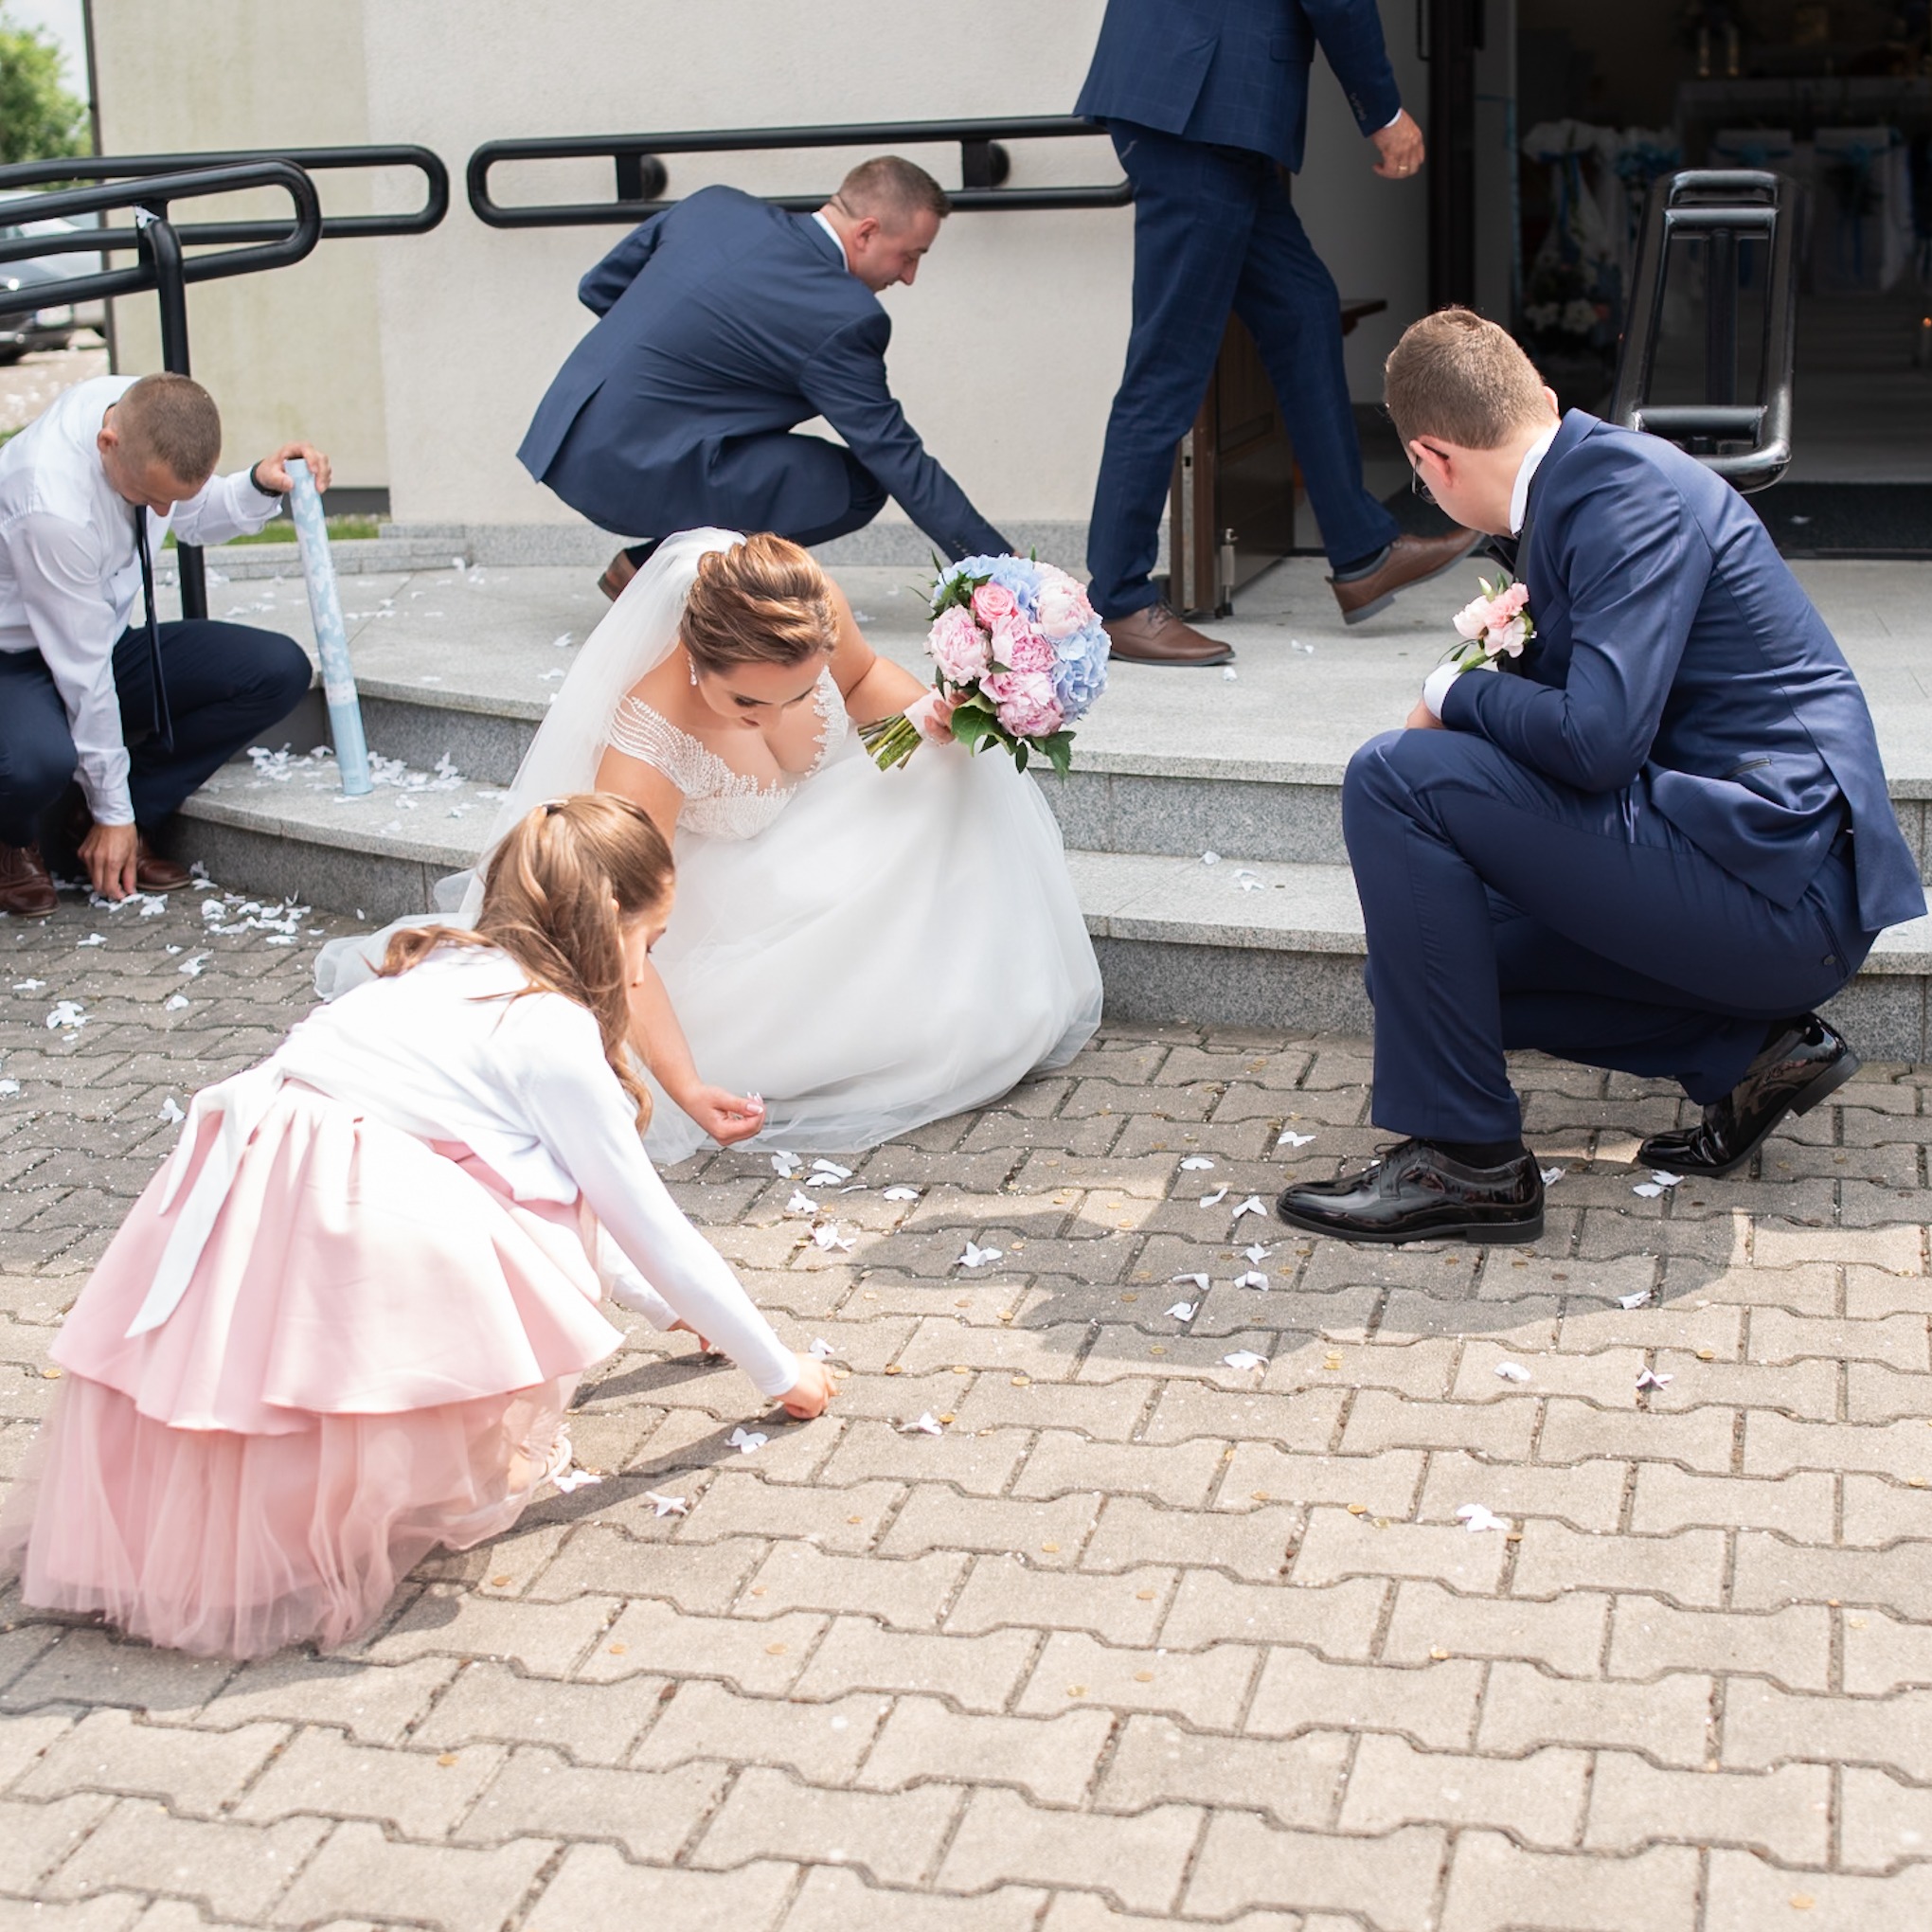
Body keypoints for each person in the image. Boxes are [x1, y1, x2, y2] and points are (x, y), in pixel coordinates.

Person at [2, 795, 834, 1658]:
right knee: (461, 1254)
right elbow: (647, 1222)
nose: (639, 974)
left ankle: (184, 1521)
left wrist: (671, 1311)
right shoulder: (547, 1031)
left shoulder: (443, 964)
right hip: (333, 1193)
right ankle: (295, 1524)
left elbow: (581, 1206)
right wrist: (779, 1372)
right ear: (606, 922)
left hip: (254, 1170)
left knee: (242, 1356)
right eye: (647, 944)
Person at [1275, 309, 1926, 1246]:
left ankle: (1470, 1162)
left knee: (1394, 775)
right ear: (1540, 397)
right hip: (1728, 862)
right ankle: (1749, 1054)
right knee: (1432, 965)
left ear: (1430, 459)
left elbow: (1597, 742)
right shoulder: (1583, 486)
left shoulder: (1622, 490)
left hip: (1786, 891)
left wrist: (1450, 692)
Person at [316, 531, 1102, 1167]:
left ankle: (981, 1000)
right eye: (745, 702)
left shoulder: (807, 602)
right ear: (695, 656)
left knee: (952, 765)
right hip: (708, 901)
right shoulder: (648, 742)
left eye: (796, 694)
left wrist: (938, 713)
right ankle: (897, 1027)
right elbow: (615, 920)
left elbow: (862, 683)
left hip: (816, 823)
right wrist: (685, 1082)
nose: (773, 719)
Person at [1074, 0, 1484, 666]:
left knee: (1302, 309)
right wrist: (1381, 112)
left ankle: (1361, 551)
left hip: (1204, 100)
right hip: (1203, 105)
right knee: (1168, 366)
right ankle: (1117, 599)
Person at [518, 156, 1010, 604]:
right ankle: (658, 570)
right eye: (910, 255)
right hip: (634, 473)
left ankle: (644, 567)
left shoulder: (714, 207)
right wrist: (1007, 578)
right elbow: (895, 456)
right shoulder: (843, 314)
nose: (909, 277)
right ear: (867, 232)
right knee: (858, 486)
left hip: (562, 437)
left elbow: (599, 286)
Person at [0, 371, 321, 915]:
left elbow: (194, 512)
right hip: (14, 661)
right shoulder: (50, 503)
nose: (164, 515)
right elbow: (85, 676)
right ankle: (12, 839)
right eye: (150, 499)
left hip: (102, 637)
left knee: (277, 669)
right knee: (35, 762)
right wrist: (114, 810)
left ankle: (101, 819)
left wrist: (260, 484)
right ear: (108, 445)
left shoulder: (150, 413)